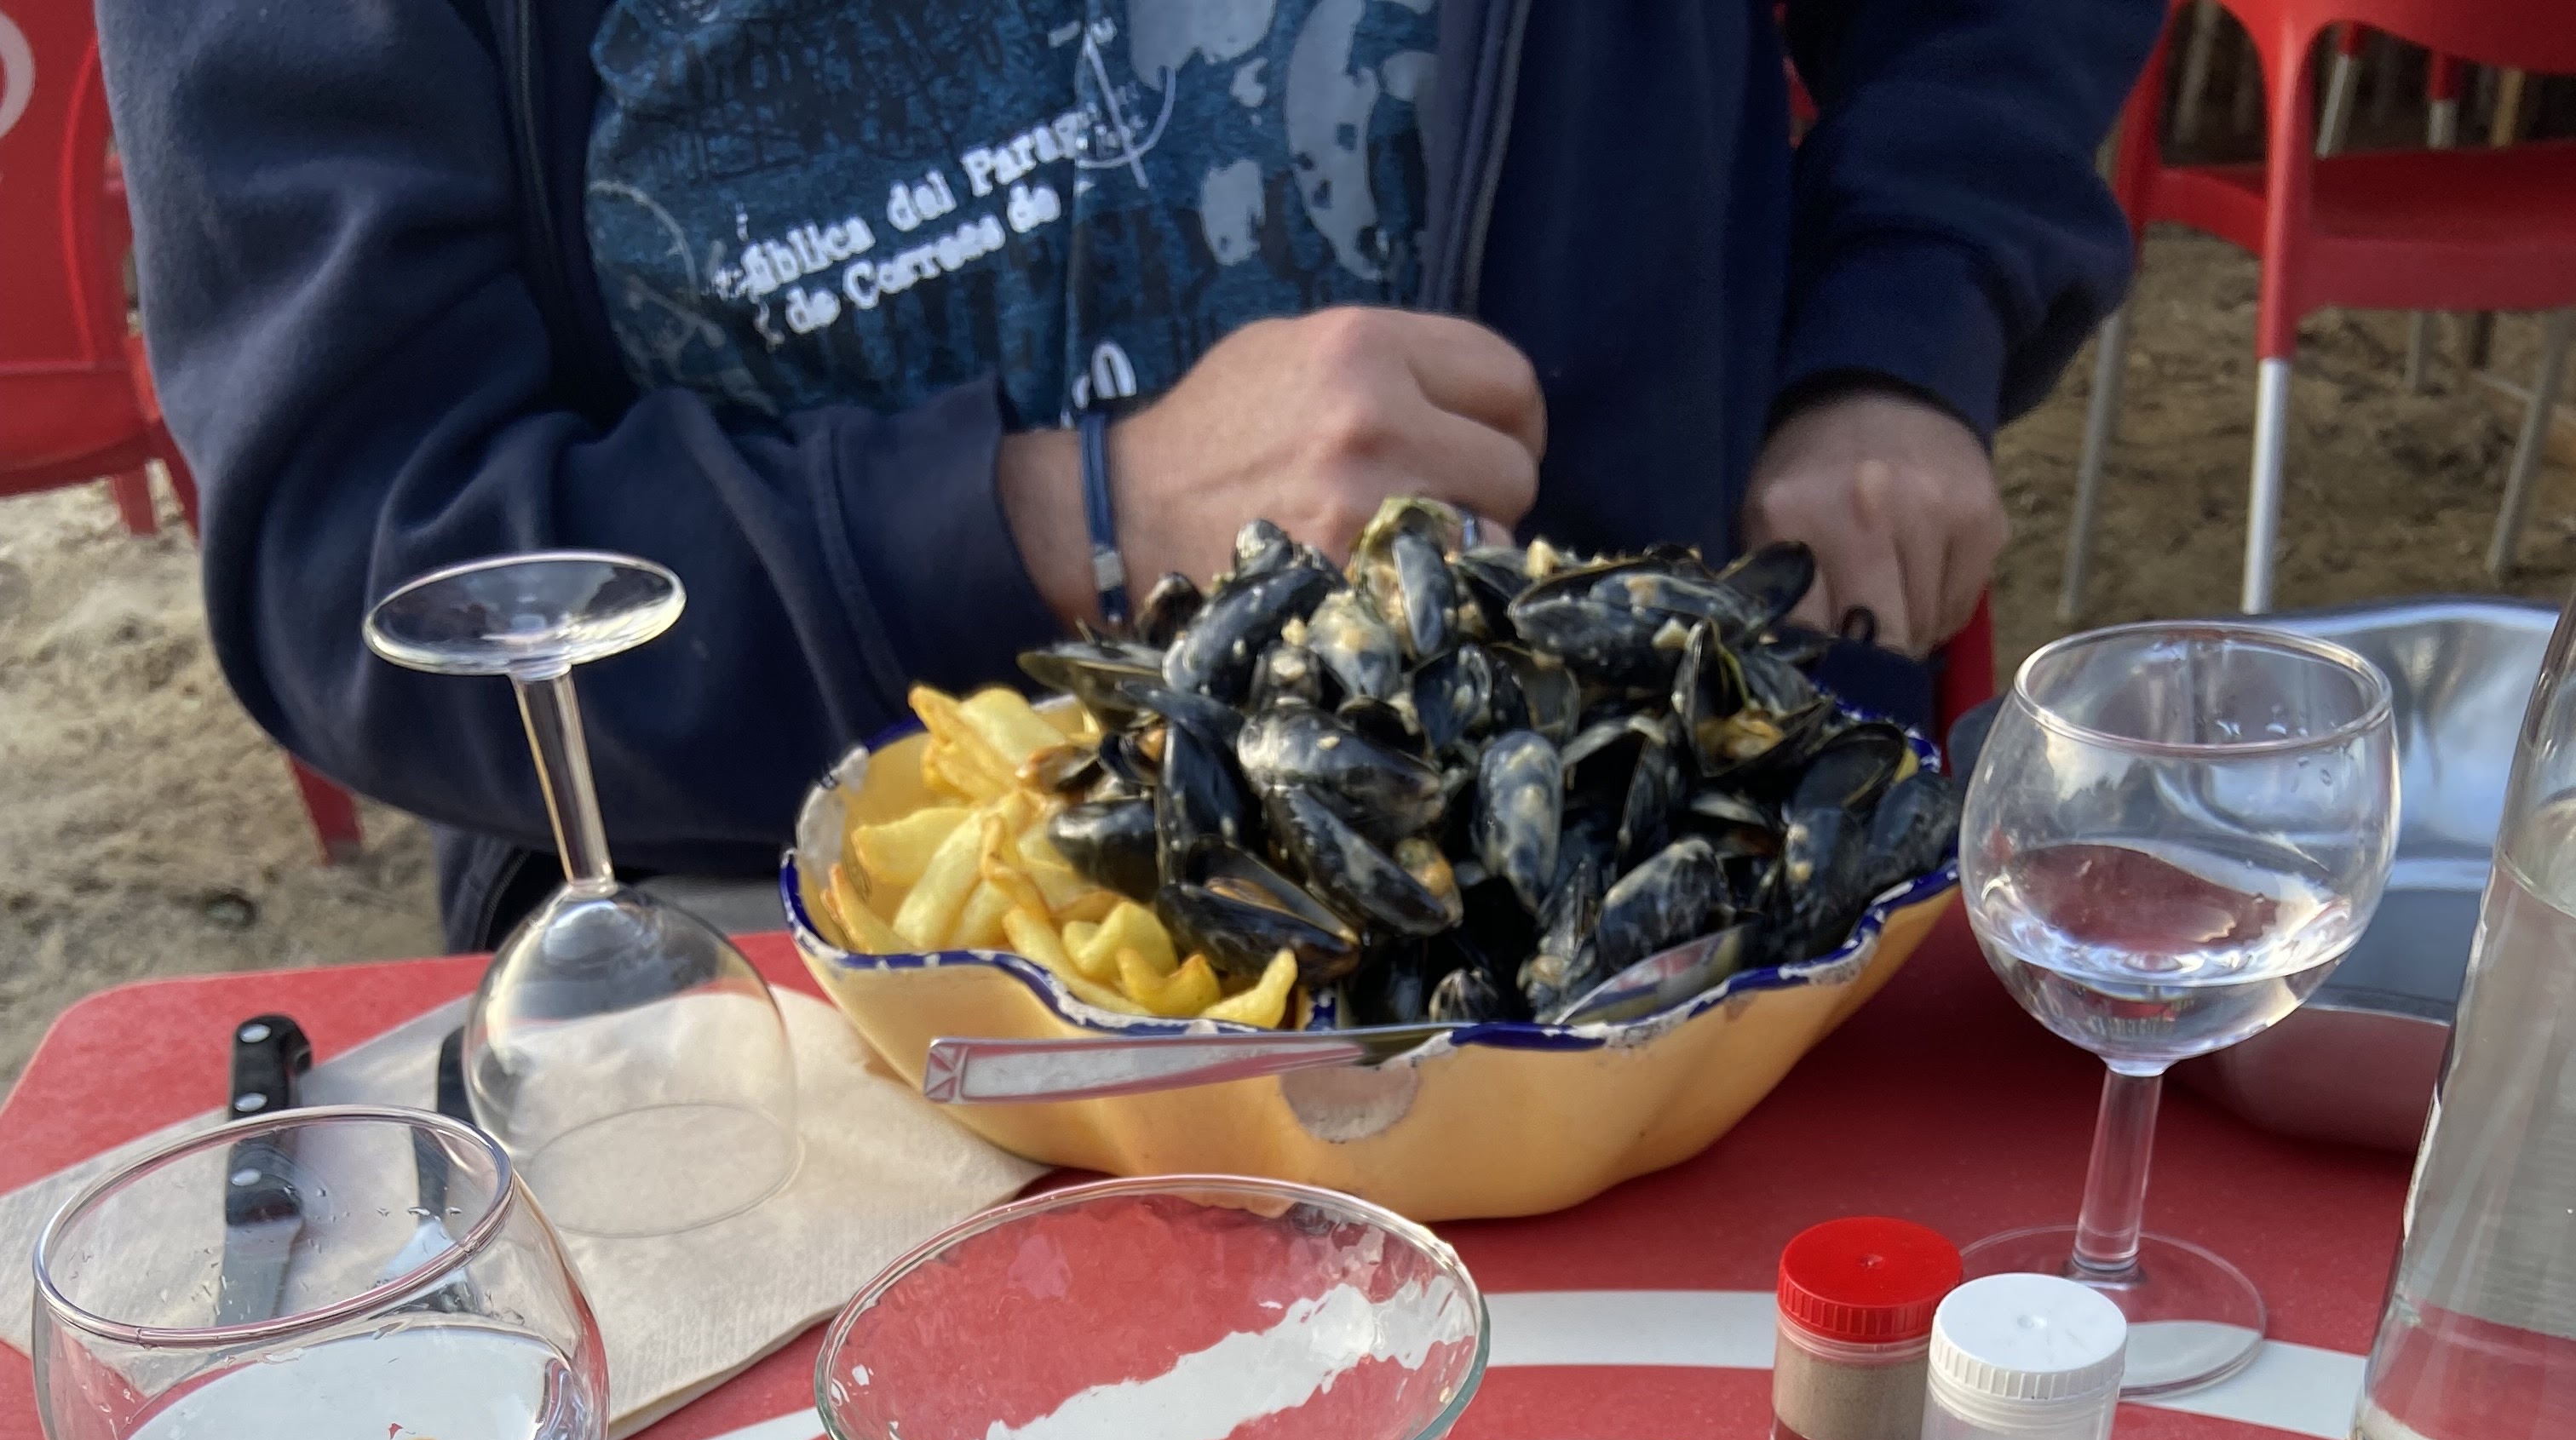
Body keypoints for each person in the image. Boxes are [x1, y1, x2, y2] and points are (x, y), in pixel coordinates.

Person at [95, 0, 2161, 949]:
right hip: (794, 953)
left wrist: (1903, 317)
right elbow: (372, 561)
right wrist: (1070, 517)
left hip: (1618, 916)